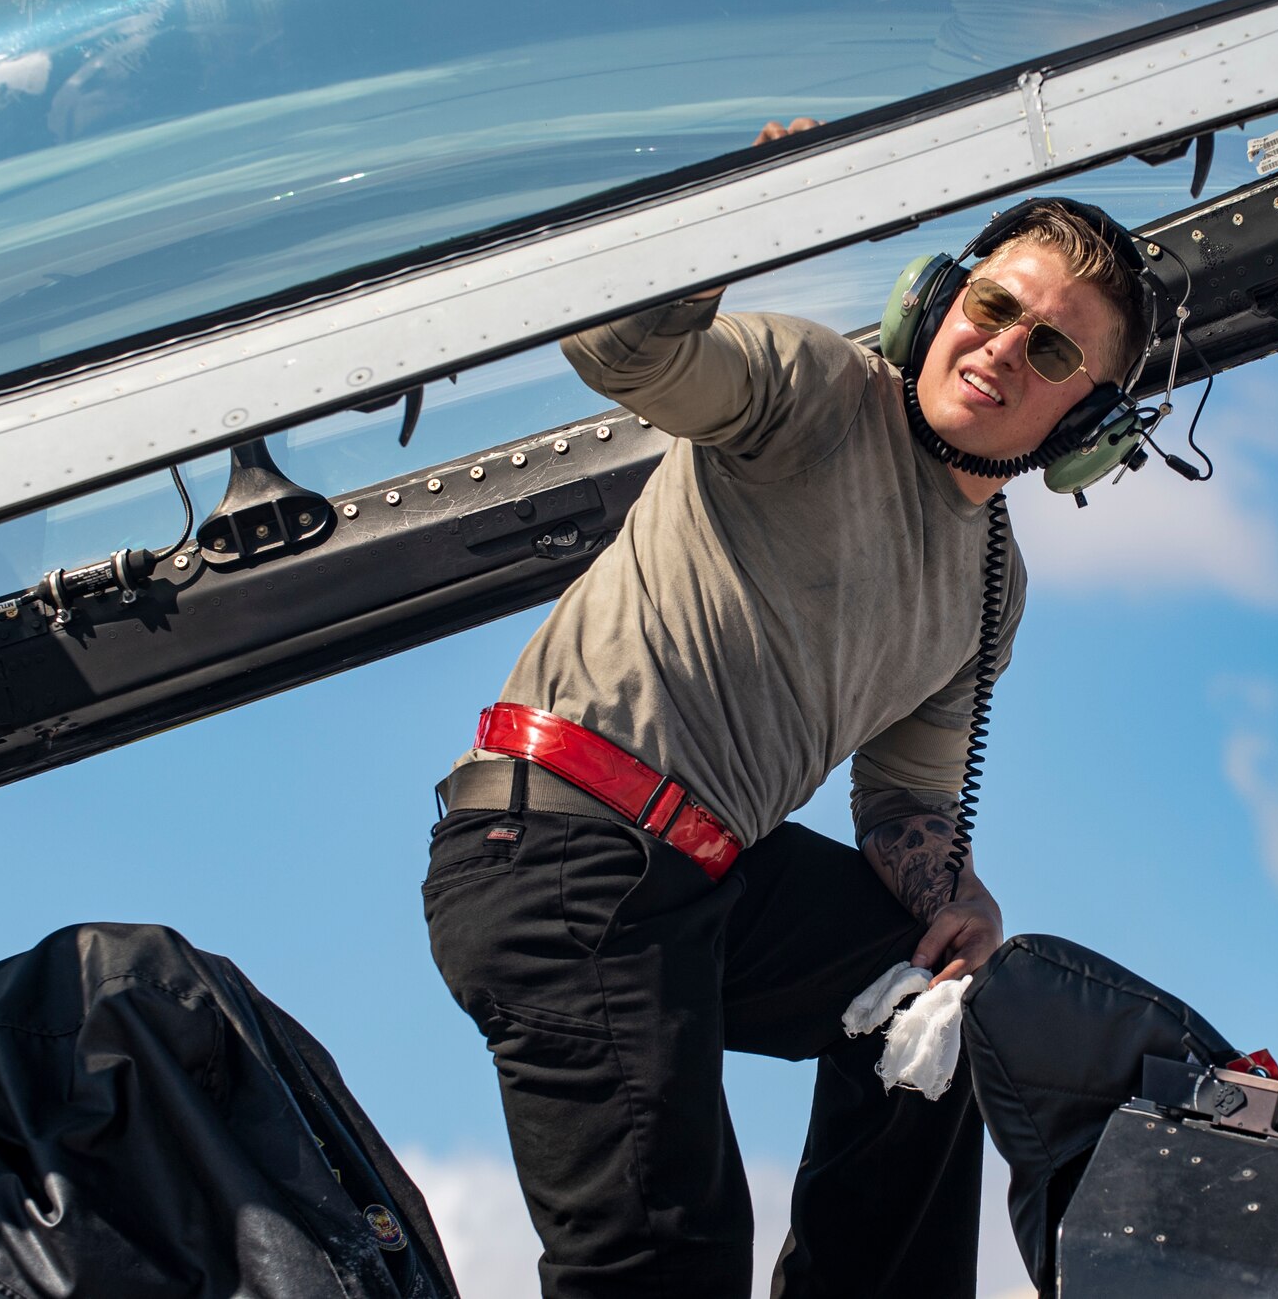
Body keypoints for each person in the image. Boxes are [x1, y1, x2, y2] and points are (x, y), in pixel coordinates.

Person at [421, 120, 1154, 1299]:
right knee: (667, 1253)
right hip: (558, 849)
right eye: (992, 304)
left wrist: (953, 904)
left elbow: (907, 800)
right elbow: (625, 357)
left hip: (702, 881)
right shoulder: (807, 386)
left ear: (1085, 425)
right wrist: (720, 219)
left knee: (940, 1013)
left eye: (1054, 352)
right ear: (936, 301)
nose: (1003, 348)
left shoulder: (988, 585)